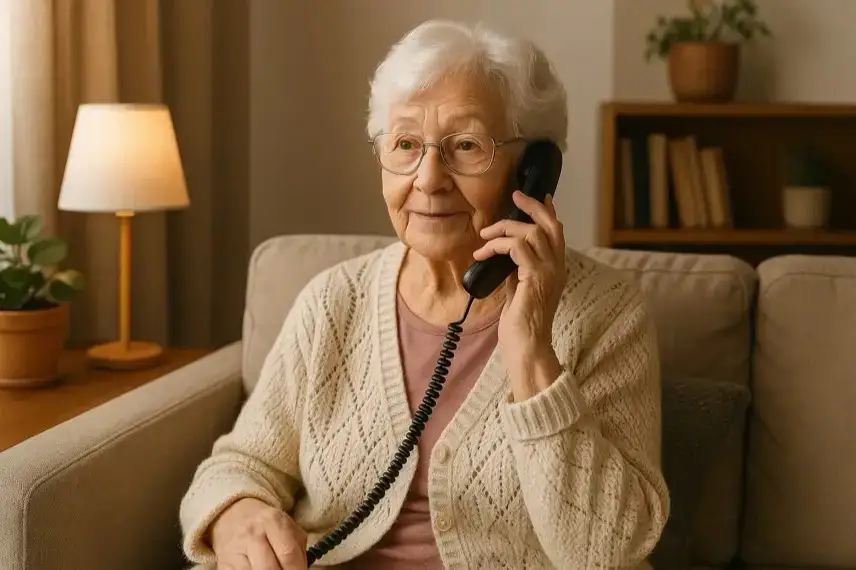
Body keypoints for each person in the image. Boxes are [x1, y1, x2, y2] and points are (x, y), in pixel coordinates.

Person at [179, 19, 669, 570]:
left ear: (534, 170)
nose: (429, 178)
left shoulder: (607, 312)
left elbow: (607, 551)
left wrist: (532, 354)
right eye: (406, 144)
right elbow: (239, 464)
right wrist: (236, 512)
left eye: (465, 146)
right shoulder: (332, 303)